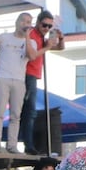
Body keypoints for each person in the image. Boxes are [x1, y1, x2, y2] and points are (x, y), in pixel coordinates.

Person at [0, 12, 35, 153]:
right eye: (23, 21)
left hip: (19, 80)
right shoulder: (4, 37)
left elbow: (31, 56)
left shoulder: (31, 42)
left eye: (28, 22)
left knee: (16, 115)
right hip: (3, 78)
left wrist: (27, 37)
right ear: (17, 22)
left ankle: (12, 145)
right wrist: (1, 64)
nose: (26, 24)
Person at [19, 10, 64, 154]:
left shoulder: (39, 36)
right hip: (27, 74)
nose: (46, 29)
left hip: (33, 75)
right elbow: (32, 55)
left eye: (49, 27)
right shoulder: (31, 34)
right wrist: (47, 46)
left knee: (29, 111)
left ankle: (29, 144)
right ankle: (29, 144)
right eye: (44, 25)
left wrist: (60, 38)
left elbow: (60, 48)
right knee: (29, 111)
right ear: (38, 23)